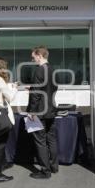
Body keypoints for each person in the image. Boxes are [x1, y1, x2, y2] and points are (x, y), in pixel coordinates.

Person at [26, 46, 58, 179]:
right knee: (51, 139)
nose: (33, 60)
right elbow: (53, 87)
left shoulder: (40, 70)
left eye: (33, 57)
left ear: (39, 55)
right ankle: (54, 166)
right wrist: (33, 87)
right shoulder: (52, 69)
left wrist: (32, 111)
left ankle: (45, 171)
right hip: (51, 109)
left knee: (40, 141)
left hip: (40, 111)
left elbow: (37, 93)